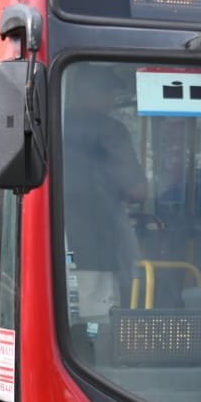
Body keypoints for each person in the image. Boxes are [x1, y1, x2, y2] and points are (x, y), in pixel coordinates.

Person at [62, 64, 147, 317]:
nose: (112, 100)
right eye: (109, 93)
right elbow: (138, 191)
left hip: (52, 245)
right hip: (94, 247)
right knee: (97, 324)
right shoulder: (110, 130)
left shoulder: (51, 122)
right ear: (97, 93)